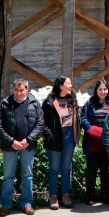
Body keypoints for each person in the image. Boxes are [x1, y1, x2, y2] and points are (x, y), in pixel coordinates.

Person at [0, 79, 44, 216]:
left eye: (22, 90)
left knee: (27, 175)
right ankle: (6, 204)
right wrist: (11, 141)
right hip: (10, 146)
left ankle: (26, 203)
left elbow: (40, 123)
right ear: (13, 89)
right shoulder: (5, 103)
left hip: (27, 146)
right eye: (16, 90)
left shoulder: (34, 103)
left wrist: (28, 140)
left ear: (27, 89)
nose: (19, 93)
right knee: (8, 176)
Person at [41, 76, 78, 210]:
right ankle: (53, 196)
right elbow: (42, 120)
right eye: (68, 83)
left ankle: (65, 195)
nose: (71, 85)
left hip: (69, 136)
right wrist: (48, 135)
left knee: (66, 168)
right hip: (55, 137)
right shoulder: (50, 101)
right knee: (54, 168)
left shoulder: (72, 98)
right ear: (61, 85)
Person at [79, 79, 109, 205]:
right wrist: (93, 130)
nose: (103, 91)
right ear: (96, 90)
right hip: (92, 142)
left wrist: (107, 133)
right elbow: (83, 119)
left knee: (106, 170)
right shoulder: (89, 103)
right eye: (100, 89)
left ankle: (105, 193)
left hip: (107, 143)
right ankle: (90, 194)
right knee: (92, 169)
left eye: (105, 89)